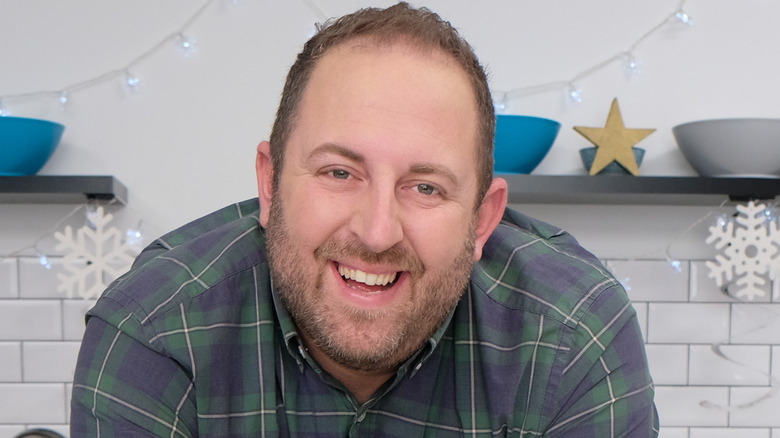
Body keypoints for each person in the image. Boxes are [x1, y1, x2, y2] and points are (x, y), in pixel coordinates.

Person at [70, 3, 658, 436]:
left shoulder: (576, 337)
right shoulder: (155, 331)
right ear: (270, 185)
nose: (377, 232)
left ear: (483, 221)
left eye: (424, 187)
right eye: (338, 173)